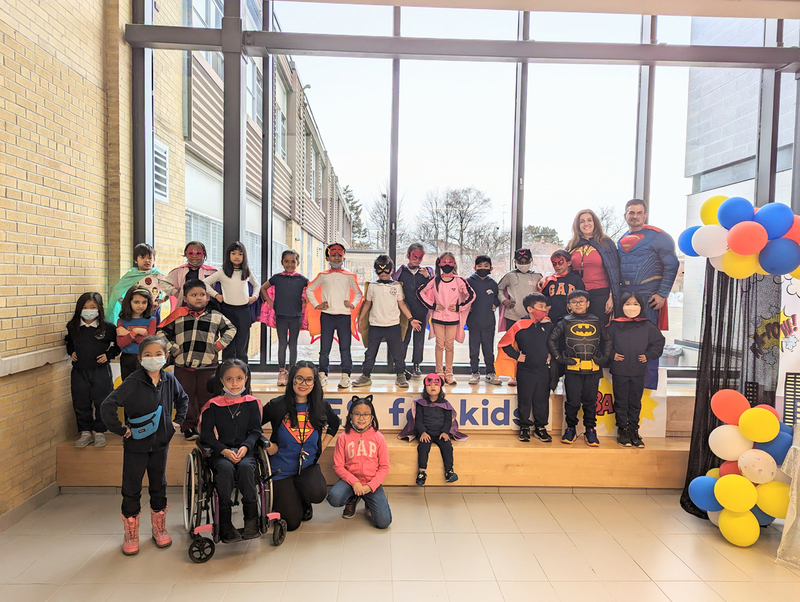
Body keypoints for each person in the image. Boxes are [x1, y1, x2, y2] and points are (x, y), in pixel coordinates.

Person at [100, 336, 188, 556]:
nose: (153, 358)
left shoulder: (169, 379)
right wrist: (121, 429)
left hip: (161, 444)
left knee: (159, 485)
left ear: (166, 356)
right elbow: (108, 405)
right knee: (131, 487)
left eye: (158, 354)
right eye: (148, 355)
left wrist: (176, 422)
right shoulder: (133, 381)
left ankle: (159, 527)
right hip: (136, 446)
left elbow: (183, 400)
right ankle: (131, 531)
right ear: (140, 359)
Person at [262, 361, 340, 531]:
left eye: (309, 379)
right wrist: (267, 444)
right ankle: (286, 496)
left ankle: (301, 497)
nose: (303, 384)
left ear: (314, 382)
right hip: (281, 469)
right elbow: (252, 426)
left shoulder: (320, 405)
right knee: (291, 524)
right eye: (299, 378)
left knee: (318, 493)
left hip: (307, 466)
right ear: (292, 379)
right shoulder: (277, 405)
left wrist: (323, 445)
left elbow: (335, 423)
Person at [158, 280, 236, 440]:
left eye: (202, 294)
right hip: (183, 366)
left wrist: (220, 344)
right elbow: (160, 332)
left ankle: (207, 427)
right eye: (194, 295)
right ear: (185, 298)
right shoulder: (178, 315)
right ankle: (188, 427)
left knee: (207, 398)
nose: (199, 298)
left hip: (208, 366)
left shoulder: (216, 316)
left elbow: (231, 329)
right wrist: (172, 347)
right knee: (184, 397)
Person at [199, 359, 263, 542]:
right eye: (229, 379)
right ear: (221, 380)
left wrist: (246, 446)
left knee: (246, 468)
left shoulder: (252, 403)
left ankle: (251, 519)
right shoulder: (212, 405)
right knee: (225, 469)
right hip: (221, 453)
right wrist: (224, 451)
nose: (234, 383)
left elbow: (256, 431)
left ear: (246, 379)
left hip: (245, 451)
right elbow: (207, 436)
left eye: (239, 378)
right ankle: (225, 523)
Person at [617, 198, 679, 389]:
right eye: (631, 212)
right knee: (625, 341)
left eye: (639, 212)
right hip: (626, 297)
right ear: (625, 215)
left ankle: (648, 386)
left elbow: (672, 265)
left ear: (645, 215)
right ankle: (626, 383)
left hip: (649, 296)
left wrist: (662, 294)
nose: (635, 216)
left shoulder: (658, 236)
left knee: (649, 340)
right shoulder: (621, 239)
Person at [547, 290, 612, 447]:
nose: (578, 304)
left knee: (590, 402)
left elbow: (608, 340)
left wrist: (605, 357)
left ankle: (590, 430)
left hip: (592, 370)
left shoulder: (597, 321)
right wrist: (559, 358)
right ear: (568, 305)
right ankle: (570, 428)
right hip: (573, 369)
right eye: (574, 302)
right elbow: (551, 340)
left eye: (581, 301)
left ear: (588, 303)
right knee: (572, 402)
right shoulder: (564, 321)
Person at [607, 292, 665, 448]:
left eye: (635, 304)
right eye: (627, 304)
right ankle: (622, 430)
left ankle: (633, 430)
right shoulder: (614, 325)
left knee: (635, 402)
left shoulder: (647, 325)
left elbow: (659, 342)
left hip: (638, 370)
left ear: (641, 306)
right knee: (620, 401)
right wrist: (612, 354)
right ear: (621, 306)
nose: (631, 307)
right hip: (620, 370)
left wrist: (648, 355)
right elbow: (604, 343)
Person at [353, 255, 420, 389]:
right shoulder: (372, 286)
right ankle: (366, 375)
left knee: (398, 353)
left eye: (386, 269)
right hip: (375, 325)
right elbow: (367, 304)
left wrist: (411, 319)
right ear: (376, 271)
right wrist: (360, 319)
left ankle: (400, 375)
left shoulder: (397, 286)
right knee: (370, 353)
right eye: (380, 270)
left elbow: (402, 304)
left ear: (392, 270)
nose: (383, 273)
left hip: (393, 326)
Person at [496, 293, 555, 443]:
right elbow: (504, 344)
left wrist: (551, 353)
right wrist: (517, 356)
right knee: (525, 399)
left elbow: (553, 342)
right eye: (540, 307)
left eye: (545, 307)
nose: (544, 310)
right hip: (525, 370)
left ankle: (540, 427)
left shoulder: (548, 325)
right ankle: (524, 427)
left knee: (542, 399)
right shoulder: (519, 326)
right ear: (530, 309)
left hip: (543, 370)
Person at [326, 395, 392, 528]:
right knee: (334, 498)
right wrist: (354, 482)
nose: (361, 418)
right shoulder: (343, 437)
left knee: (383, 523)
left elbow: (384, 466)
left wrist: (370, 486)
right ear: (351, 416)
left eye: (366, 414)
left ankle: (368, 499)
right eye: (357, 414)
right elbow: (338, 466)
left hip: (371, 482)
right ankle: (353, 497)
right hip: (350, 482)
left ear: (371, 417)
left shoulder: (378, 437)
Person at [65, 292, 120, 448]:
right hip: (79, 370)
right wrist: (71, 352)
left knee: (102, 400)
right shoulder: (73, 326)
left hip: (100, 370)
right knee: (80, 400)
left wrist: (108, 355)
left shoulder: (108, 327)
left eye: (92, 307)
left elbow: (117, 346)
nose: (88, 310)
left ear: (100, 308)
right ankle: (85, 432)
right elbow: (69, 341)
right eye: (84, 307)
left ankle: (100, 432)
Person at [306, 243, 363, 389]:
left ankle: (346, 376)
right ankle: (323, 375)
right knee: (325, 348)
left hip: (344, 316)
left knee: (345, 348)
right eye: (333, 255)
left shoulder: (349, 276)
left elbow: (358, 293)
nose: (336, 258)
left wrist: (352, 304)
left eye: (339, 255)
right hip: (327, 316)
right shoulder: (323, 275)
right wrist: (317, 304)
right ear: (327, 258)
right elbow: (309, 290)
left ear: (344, 258)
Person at [416, 252, 475, 385]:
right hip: (438, 318)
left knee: (449, 346)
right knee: (439, 345)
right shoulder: (435, 280)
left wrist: (460, 307)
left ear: (454, 264)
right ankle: (439, 373)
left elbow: (471, 295)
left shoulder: (459, 280)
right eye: (444, 262)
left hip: (453, 319)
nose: (447, 265)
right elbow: (420, 292)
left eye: (450, 262)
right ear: (439, 264)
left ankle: (449, 373)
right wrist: (432, 305)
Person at [398, 373, 467, 485]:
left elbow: (448, 420)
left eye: (436, 384)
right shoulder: (420, 404)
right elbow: (418, 420)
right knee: (423, 447)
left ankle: (449, 471)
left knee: (447, 447)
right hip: (426, 433)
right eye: (429, 385)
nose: (433, 387)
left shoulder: (445, 404)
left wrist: (445, 432)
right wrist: (423, 432)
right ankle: (421, 472)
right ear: (425, 387)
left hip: (441, 433)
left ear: (440, 387)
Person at [204, 241, 261, 360]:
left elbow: (257, 285)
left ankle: (243, 369)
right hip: (227, 310)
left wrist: (254, 297)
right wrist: (216, 295)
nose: (237, 256)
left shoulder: (247, 272)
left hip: (244, 310)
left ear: (244, 256)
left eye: (240, 254)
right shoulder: (222, 272)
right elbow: (204, 283)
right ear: (228, 255)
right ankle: (227, 368)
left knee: (242, 343)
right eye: (233, 253)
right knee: (227, 342)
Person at [259, 249, 309, 386]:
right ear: (282, 262)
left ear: (298, 263)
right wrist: (270, 302)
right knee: (282, 344)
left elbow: (313, 290)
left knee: (293, 344)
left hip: (296, 316)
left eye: (293, 261)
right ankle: (282, 372)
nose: (290, 264)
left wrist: (306, 302)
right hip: (280, 315)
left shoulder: (302, 279)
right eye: (286, 261)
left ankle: (292, 372)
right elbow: (263, 288)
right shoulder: (277, 278)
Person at [566, 209, 622, 323]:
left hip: (601, 294)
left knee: (599, 327)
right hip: (578, 295)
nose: (586, 224)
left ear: (595, 222)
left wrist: (611, 297)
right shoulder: (572, 245)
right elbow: (563, 269)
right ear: (577, 225)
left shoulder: (606, 243)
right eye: (582, 221)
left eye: (589, 220)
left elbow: (615, 272)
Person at [498, 248, 543, 385]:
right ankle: (513, 375)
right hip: (513, 316)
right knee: (513, 347)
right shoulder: (509, 276)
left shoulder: (538, 276)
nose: (523, 264)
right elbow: (499, 288)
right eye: (520, 262)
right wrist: (504, 300)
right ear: (515, 262)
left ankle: (528, 373)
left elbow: (543, 292)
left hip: (531, 318)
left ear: (531, 260)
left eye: (526, 261)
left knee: (529, 346)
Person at [392, 243, 434, 378]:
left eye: (420, 257)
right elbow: (392, 285)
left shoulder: (426, 272)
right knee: (403, 339)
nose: (417, 260)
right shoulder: (401, 272)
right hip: (405, 312)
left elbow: (435, 287)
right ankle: (401, 365)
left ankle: (416, 364)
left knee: (419, 340)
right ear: (408, 255)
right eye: (414, 256)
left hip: (421, 311)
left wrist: (428, 277)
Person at [467, 254, 502, 385]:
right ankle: (474, 373)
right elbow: (463, 297)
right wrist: (466, 306)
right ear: (474, 267)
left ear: (491, 268)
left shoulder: (492, 283)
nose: (483, 268)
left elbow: (497, 298)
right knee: (474, 350)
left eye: (486, 266)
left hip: (488, 322)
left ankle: (490, 373)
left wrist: (495, 304)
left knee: (488, 350)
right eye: (480, 265)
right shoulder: (468, 282)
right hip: (473, 322)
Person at [109, 243, 165, 324]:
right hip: (135, 313)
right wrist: (125, 304)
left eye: (150, 258)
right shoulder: (131, 275)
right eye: (142, 257)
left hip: (153, 311)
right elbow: (116, 290)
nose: (147, 260)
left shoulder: (158, 275)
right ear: (136, 260)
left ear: (154, 260)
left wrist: (163, 299)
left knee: (153, 330)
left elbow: (171, 288)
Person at [116, 286, 157, 381]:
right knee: (128, 385)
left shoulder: (151, 320)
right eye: (136, 302)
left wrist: (128, 333)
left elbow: (149, 343)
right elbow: (121, 343)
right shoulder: (121, 321)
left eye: (144, 302)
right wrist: (136, 332)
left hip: (145, 358)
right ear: (129, 302)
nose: (141, 306)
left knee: (145, 385)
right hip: (127, 358)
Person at [161, 241, 217, 307]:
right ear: (186, 254)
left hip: (206, 307)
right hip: (185, 306)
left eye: (198, 253)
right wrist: (175, 292)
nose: (194, 256)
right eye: (190, 253)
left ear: (204, 255)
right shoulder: (179, 271)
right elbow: (163, 282)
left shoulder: (212, 272)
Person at [540, 250, 585, 325]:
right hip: (553, 317)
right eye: (554, 263)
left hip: (570, 317)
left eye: (560, 262)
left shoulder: (575, 279)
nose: (557, 266)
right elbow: (545, 296)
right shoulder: (551, 280)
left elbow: (581, 295)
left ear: (569, 263)